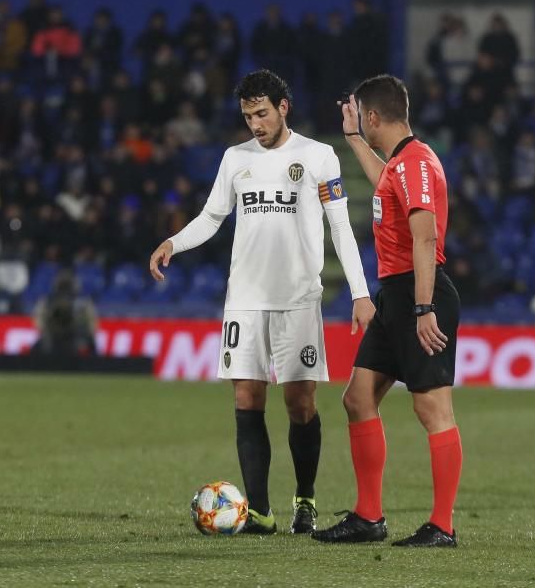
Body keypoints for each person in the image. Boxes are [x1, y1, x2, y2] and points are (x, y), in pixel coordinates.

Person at [149, 69, 373, 534]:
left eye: (262, 113)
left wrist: (360, 292)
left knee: (300, 403)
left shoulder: (318, 156)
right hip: (245, 299)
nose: (255, 123)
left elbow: (340, 227)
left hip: (297, 299)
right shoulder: (236, 159)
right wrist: (175, 241)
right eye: (248, 115)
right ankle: (259, 512)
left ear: (283, 107)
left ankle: (306, 500)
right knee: (247, 397)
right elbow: (212, 217)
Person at [311, 75, 462, 547]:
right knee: (357, 398)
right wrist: (354, 139)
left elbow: (426, 237)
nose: (359, 123)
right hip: (393, 298)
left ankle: (442, 526)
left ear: (375, 115)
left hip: (420, 294)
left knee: (432, 408)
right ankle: (368, 517)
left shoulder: (416, 161)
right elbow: (383, 183)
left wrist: (423, 307)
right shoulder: (400, 165)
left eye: (362, 117)